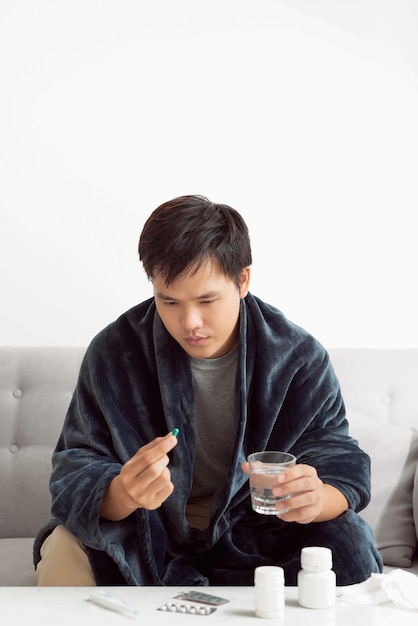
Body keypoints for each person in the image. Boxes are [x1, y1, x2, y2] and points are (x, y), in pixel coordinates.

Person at [33, 194, 383, 586]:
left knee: (349, 542)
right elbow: (76, 467)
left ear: (243, 280)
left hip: (260, 532)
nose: (189, 322)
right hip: (148, 529)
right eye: (169, 301)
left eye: (207, 300)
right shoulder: (115, 351)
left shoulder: (296, 357)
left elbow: (337, 458)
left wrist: (317, 499)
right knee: (64, 546)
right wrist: (122, 493)